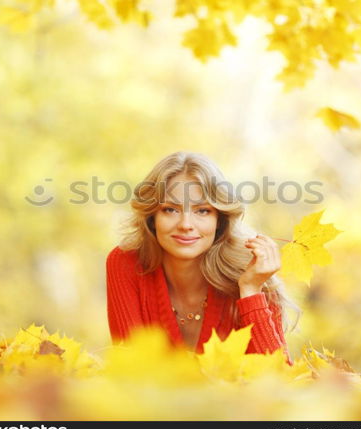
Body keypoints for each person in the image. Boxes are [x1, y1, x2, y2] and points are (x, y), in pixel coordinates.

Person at [106, 151, 300, 365]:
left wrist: (251, 291)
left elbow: (278, 377)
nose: (186, 224)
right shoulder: (125, 263)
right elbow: (131, 370)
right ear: (152, 218)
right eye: (170, 209)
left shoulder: (251, 269)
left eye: (202, 211)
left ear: (220, 220)